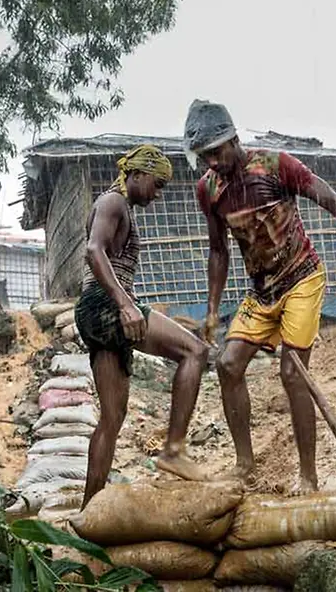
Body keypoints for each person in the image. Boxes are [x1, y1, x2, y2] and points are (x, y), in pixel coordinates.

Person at [184, 99, 336, 494]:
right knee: (227, 365)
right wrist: (211, 308)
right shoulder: (208, 189)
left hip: (301, 279)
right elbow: (218, 250)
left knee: (294, 374)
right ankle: (245, 465)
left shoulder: (277, 166)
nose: (212, 162)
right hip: (261, 291)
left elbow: (335, 203)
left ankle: (307, 476)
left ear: (234, 139)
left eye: (216, 152)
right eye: (204, 156)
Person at [75, 144, 210, 508]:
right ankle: (174, 450)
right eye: (157, 184)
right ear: (136, 175)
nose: (159, 193)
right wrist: (126, 304)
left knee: (112, 418)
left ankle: (90, 510)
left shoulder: (120, 207)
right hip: (106, 306)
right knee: (195, 351)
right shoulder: (113, 202)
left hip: (97, 311)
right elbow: (93, 250)